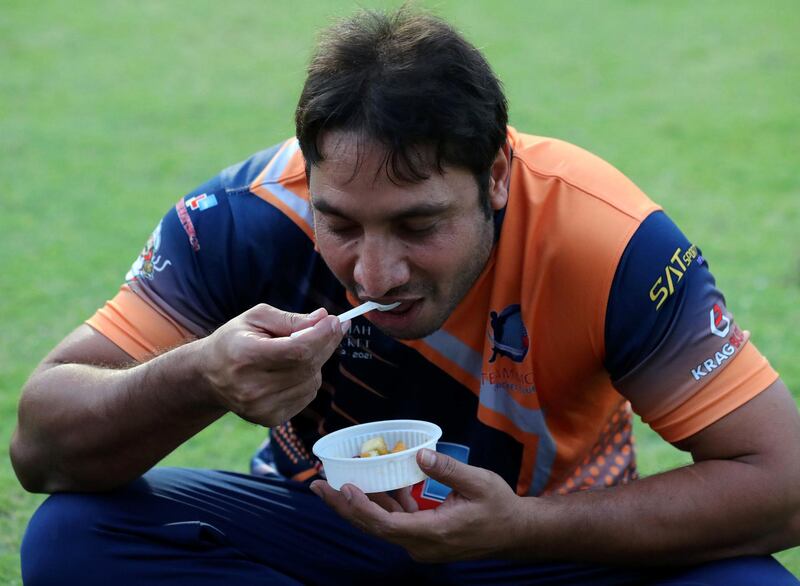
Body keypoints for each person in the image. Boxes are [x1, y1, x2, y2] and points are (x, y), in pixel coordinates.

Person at [11, 8, 800, 585]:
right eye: (340, 223)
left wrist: (520, 528)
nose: (375, 273)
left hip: (550, 548)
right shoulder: (248, 217)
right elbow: (41, 448)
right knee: (75, 538)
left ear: (496, 177)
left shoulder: (608, 242)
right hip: (323, 534)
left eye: (418, 224)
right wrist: (196, 375)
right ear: (308, 180)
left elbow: (783, 482)